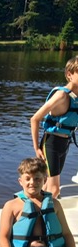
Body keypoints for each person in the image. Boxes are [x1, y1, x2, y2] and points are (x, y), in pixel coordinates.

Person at [30, 56, 78, 198]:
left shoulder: (76, 97)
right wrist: (36, 148)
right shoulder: (61, 95)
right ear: (69, 74)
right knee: (54, 189)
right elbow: (35, 119)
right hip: (51, 143)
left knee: (46, 186)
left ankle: (34, 209)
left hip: (64, 143)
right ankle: (40, 210)